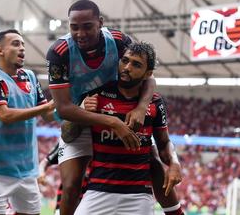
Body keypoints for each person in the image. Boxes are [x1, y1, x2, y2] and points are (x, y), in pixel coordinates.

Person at [46, 0, 153, 215]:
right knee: (71, 186)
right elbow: (64, 108)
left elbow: (147, 77)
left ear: (100, 23)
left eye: (87, 26)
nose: (80, 33)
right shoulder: (59, 52)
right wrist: (112, 122)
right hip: (80, 119)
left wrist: (142, 106)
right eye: (74, 27)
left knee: (155, 164)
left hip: (117, 114)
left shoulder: (119, 41)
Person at [74, 42, 182, 215]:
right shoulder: (97, 94)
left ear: (148, 73)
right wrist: (82, 110)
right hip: (98, 191)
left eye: (136, 64)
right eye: (125, 60)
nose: (127, 67)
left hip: (138, 195)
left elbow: (164, 142)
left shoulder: (154, 103)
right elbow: (70, 134)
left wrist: (175, 163)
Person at [0, 29, 56, 215]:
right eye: (15, 44)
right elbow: (4, 115)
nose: (22, 48)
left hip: (28, 170)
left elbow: (48, 116)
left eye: (23, 44)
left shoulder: (30, 76)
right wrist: (46, 108)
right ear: (0, 51)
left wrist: (76, 108)